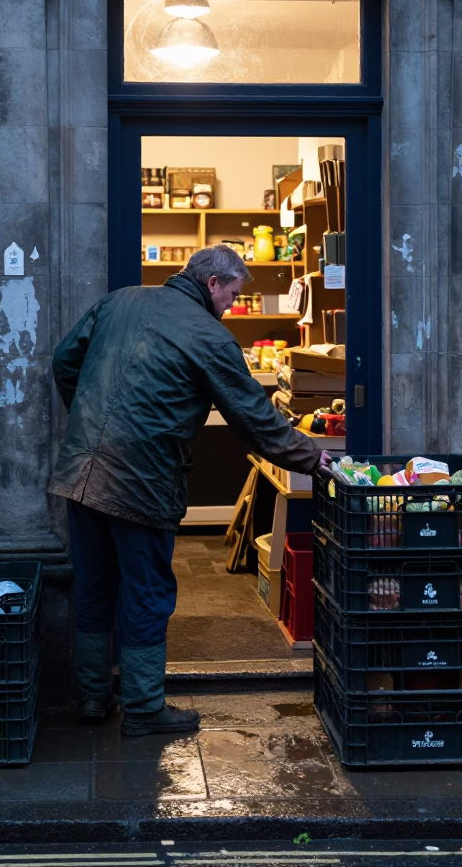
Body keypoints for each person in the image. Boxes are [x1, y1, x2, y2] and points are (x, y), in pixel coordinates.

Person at [50, 244, 331, 737]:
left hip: (81, 471)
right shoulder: (210, 336)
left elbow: (63, 361)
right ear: (212, 283)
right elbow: (254, 417)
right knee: (147, 592)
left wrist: (88, 419)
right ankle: (143, 708)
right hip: (141, 481)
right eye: (233, 295)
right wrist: (311, 457)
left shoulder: (119, 300)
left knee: (94, 586)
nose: (232, 306)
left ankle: (93, 696)